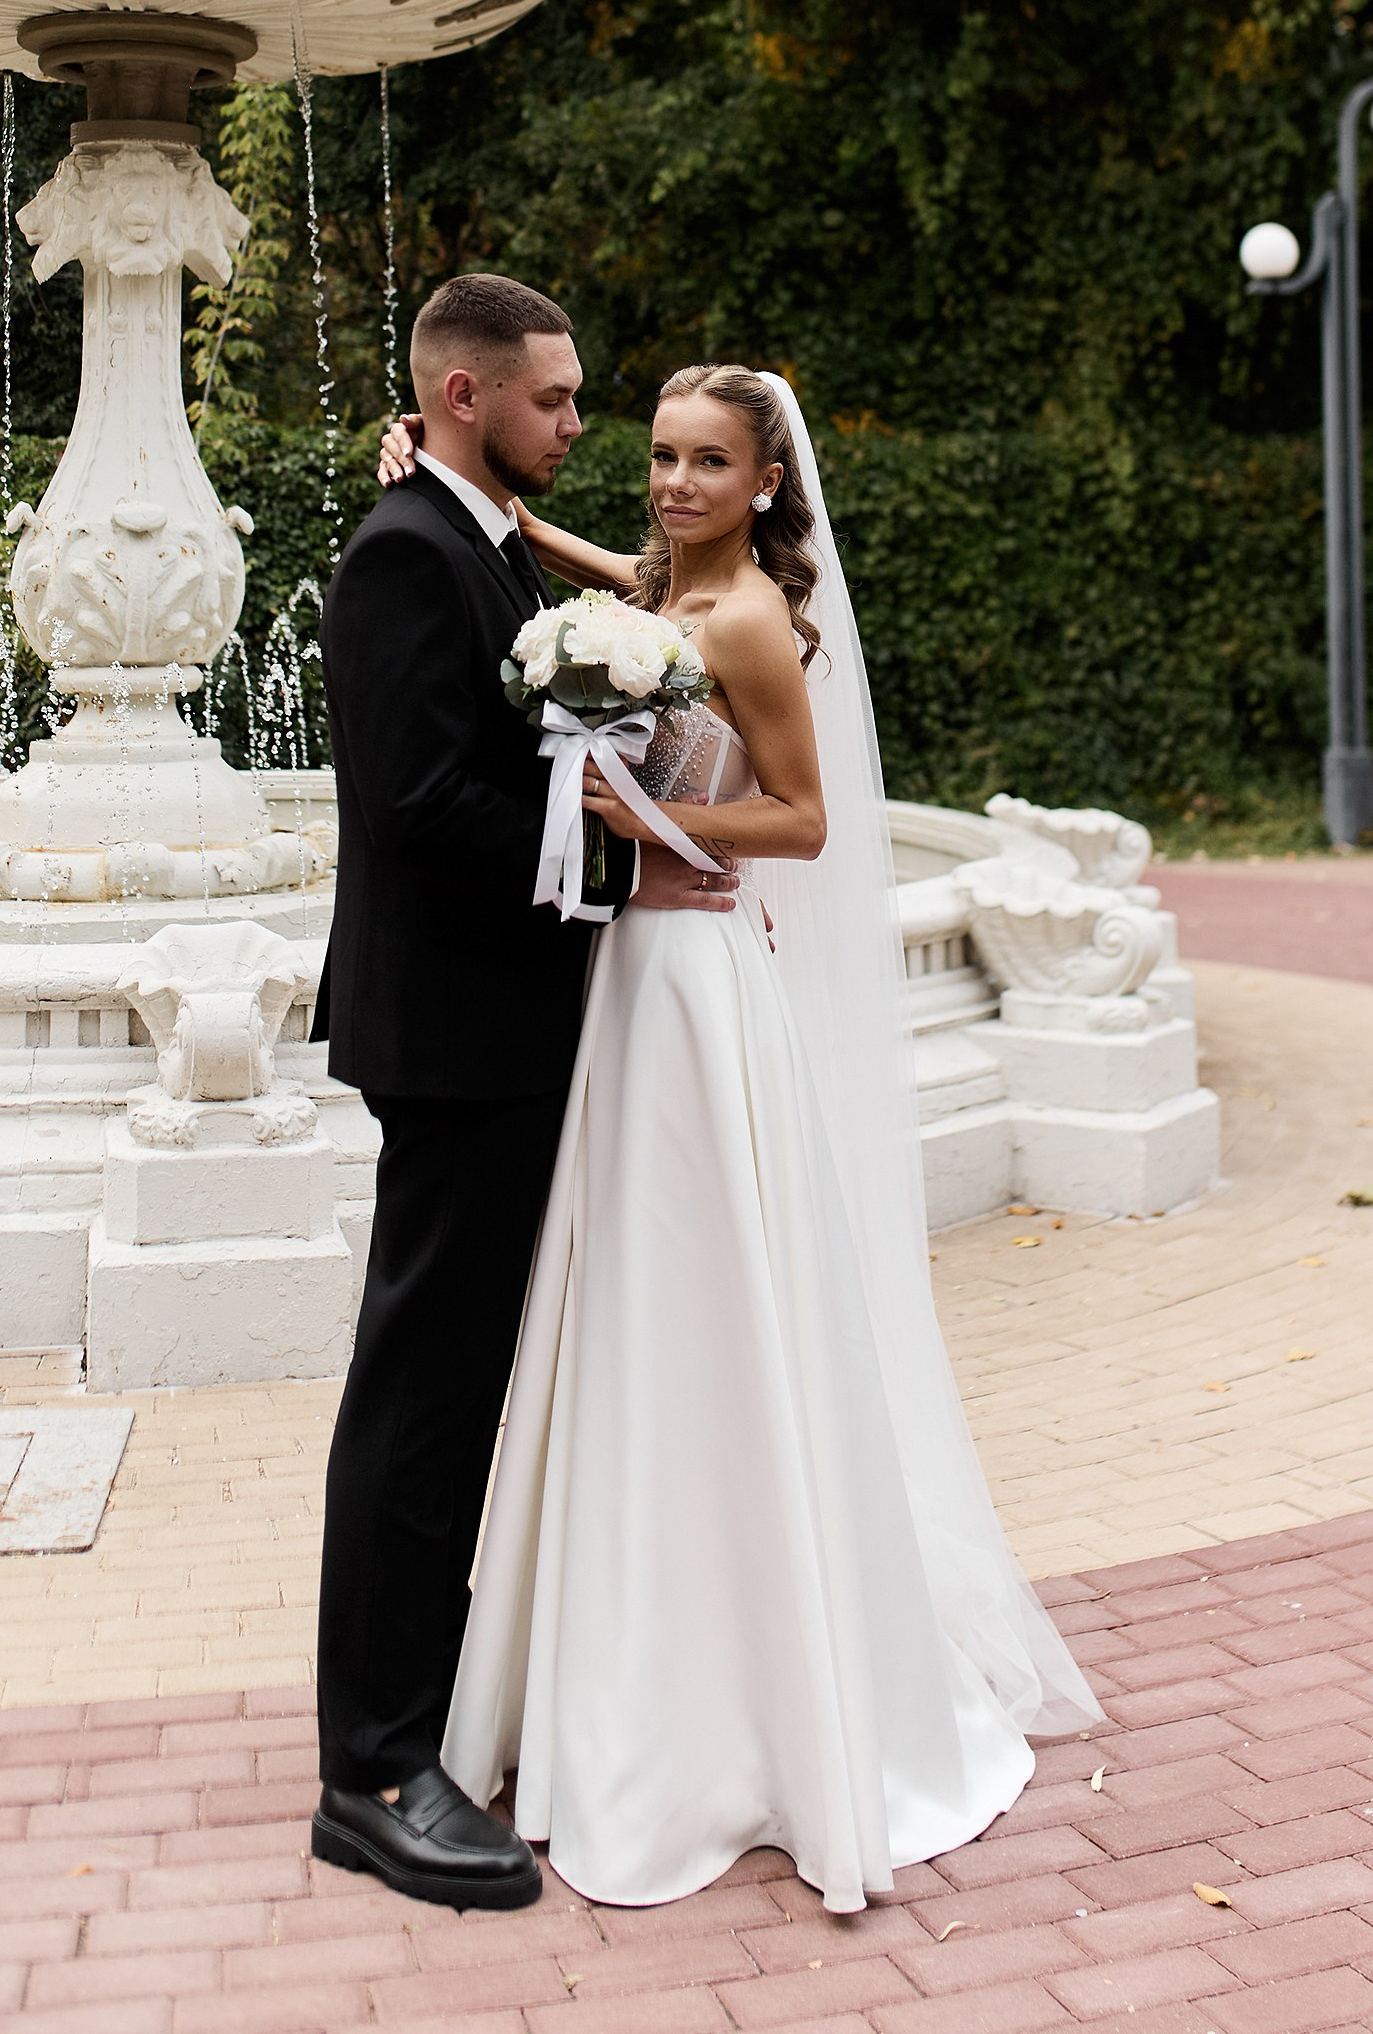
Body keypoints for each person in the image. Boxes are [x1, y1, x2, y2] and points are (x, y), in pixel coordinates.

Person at [389, 359, 1098, 1913]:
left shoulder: (757, 621)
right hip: (625, 985)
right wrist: (508, 513)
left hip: (700, 977)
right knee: (620, 1298)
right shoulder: (654, 600)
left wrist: (648, 825)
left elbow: (805, 820)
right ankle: (609, 1660)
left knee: (710, 1294)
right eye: (660, 455)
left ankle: (750, 1693)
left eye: (709, 462)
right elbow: (626, 590)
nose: (674, 482)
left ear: (766, 484)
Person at [309, 276, 739, 1915]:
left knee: (464, 1384)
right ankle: (371, 1775)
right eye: (553, 399)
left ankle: (428, 1710)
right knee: (419, 1394)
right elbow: (424, 806)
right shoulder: (404, 555)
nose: (578, 422)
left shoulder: (475, 539)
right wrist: (628, 878)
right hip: (454, 1039)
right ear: (467, 396)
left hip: (502, 1029)